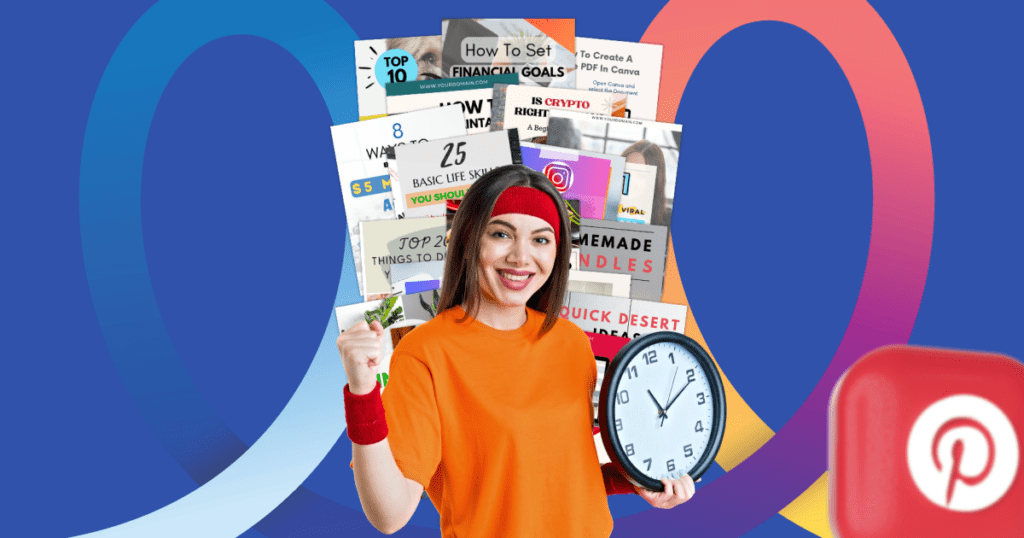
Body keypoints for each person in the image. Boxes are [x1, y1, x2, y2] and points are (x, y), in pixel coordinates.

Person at [338, 165, 695, 537]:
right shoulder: (428, 352)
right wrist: (362, 392)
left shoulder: (571, 342)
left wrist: (636, 481)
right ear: (467, 240)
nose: (521, 257)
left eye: (541, 240)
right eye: (500, 234)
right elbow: (389, 514)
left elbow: (553, 475)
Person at [621, 140, 670, 227]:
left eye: (640, 174)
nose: (630, 179)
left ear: (656, 180)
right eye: (626, 170)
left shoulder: (668, 221)